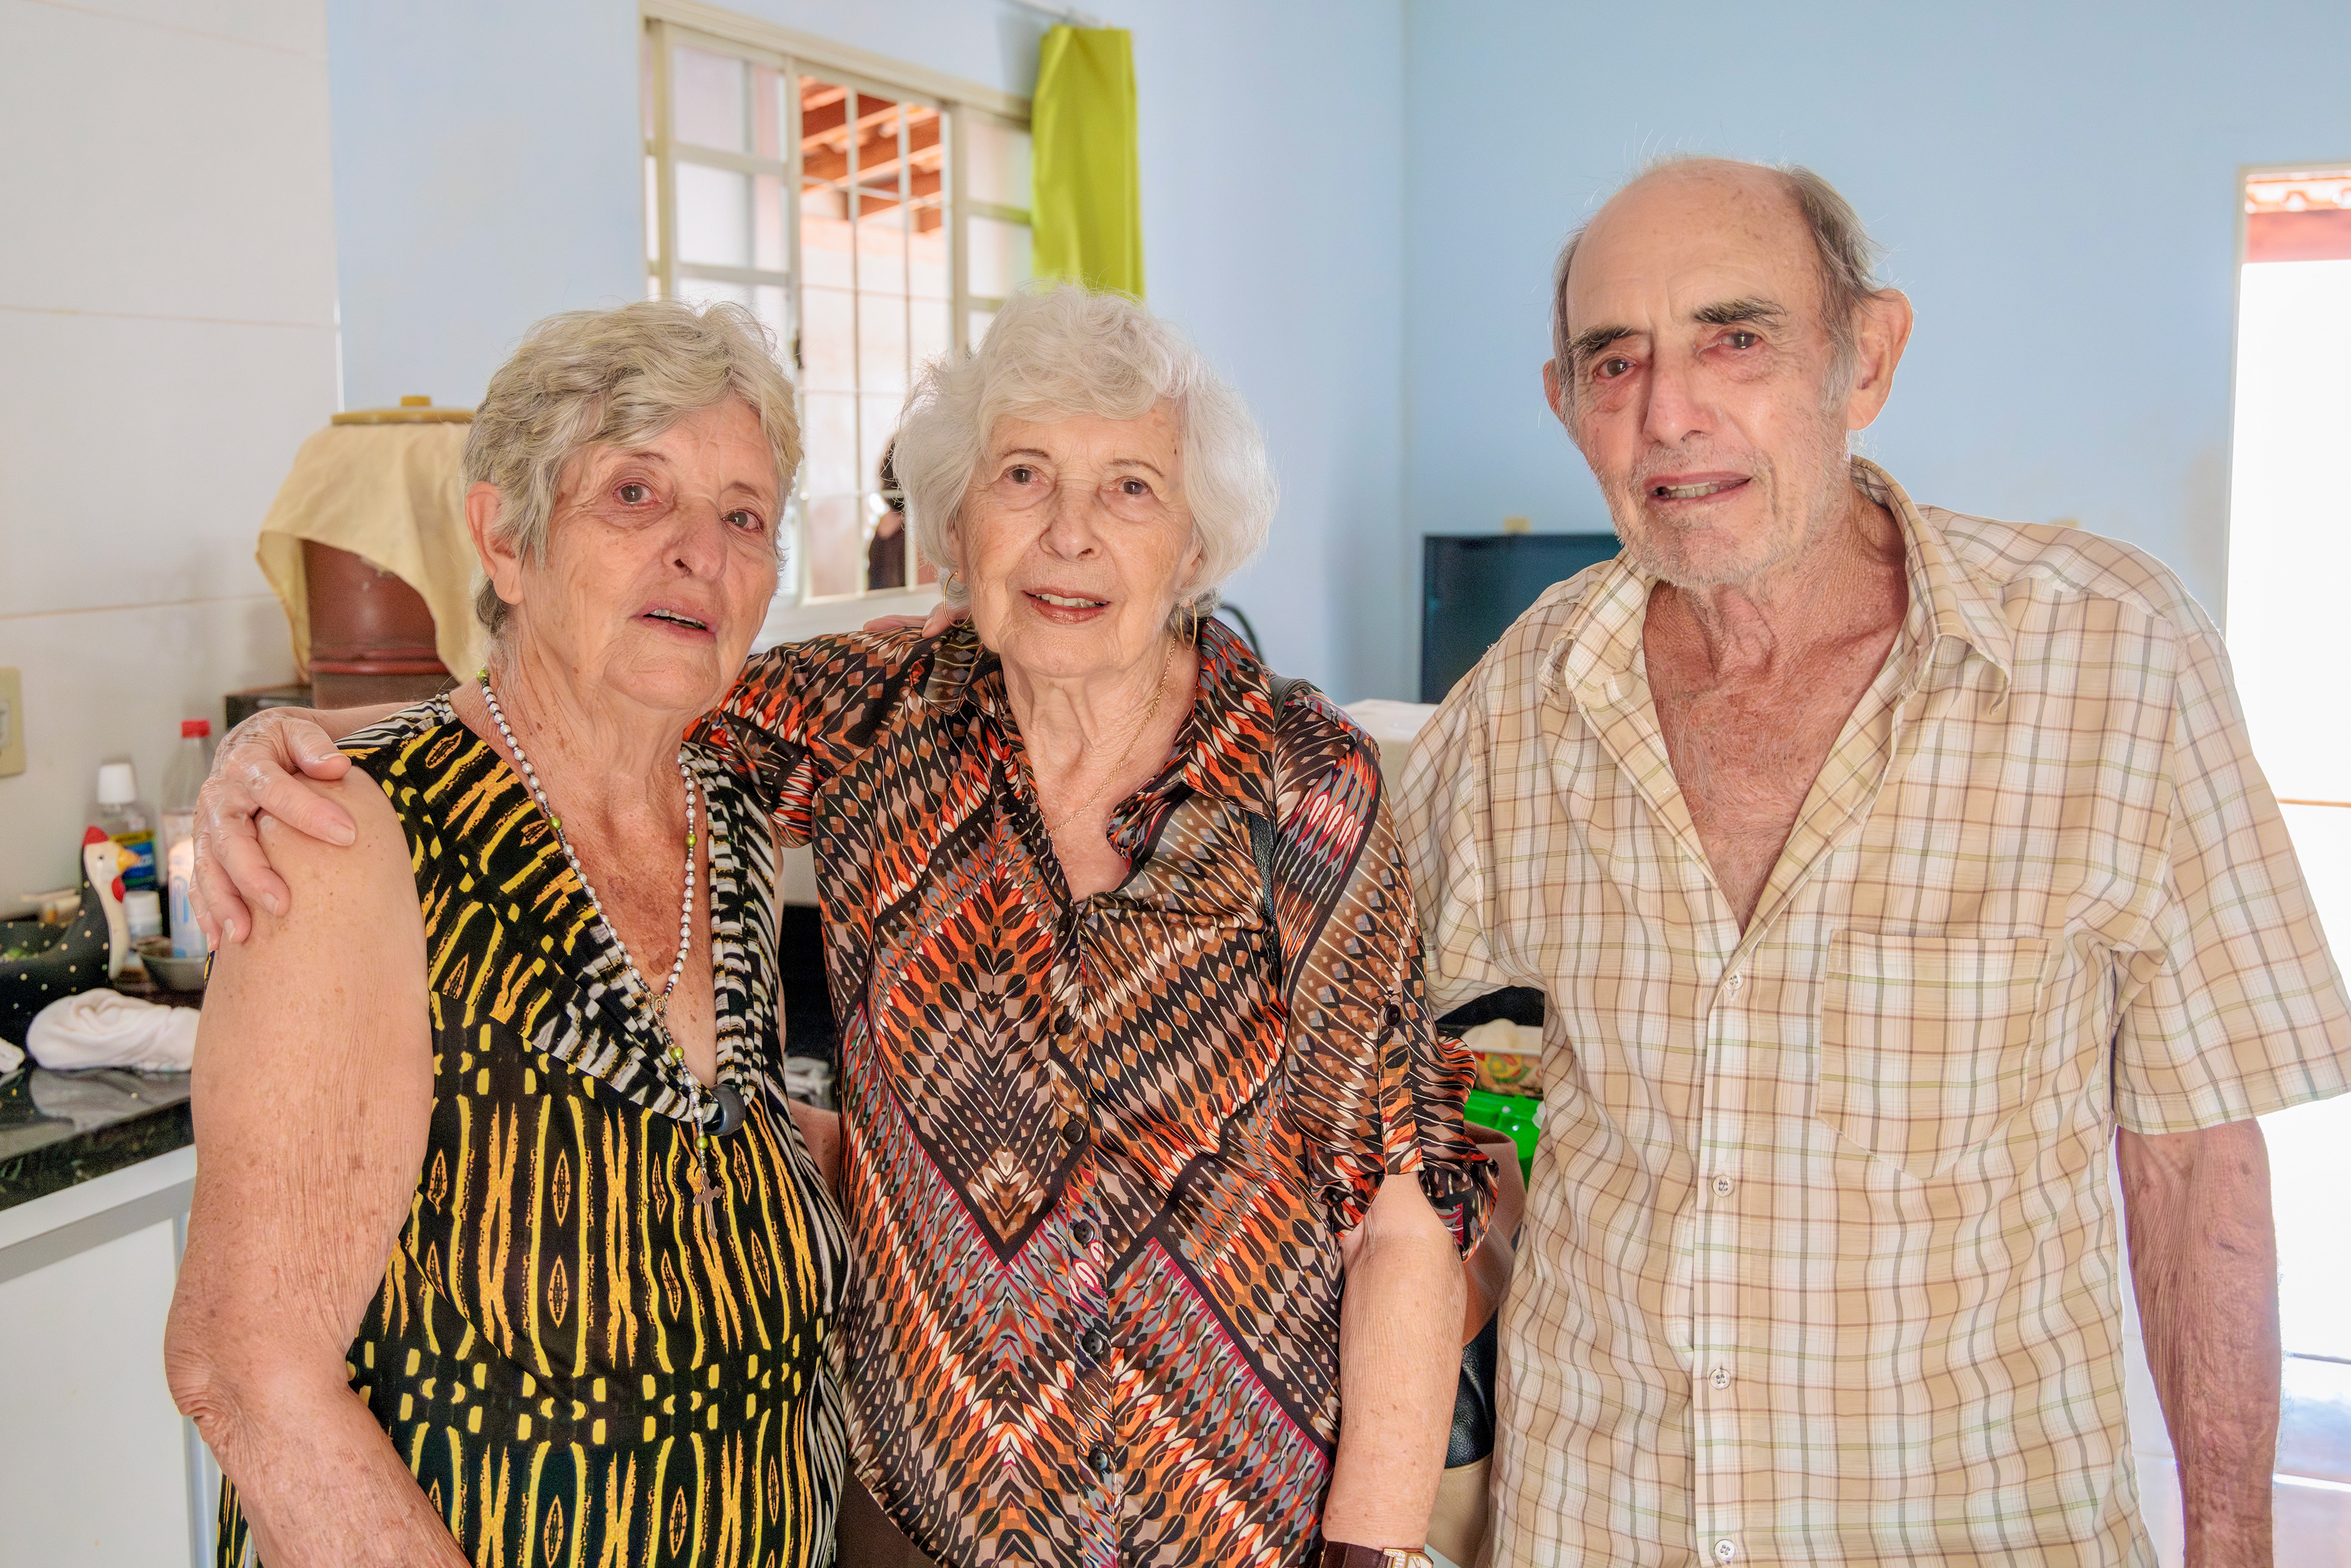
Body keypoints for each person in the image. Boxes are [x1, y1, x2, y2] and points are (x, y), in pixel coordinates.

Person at [191, 283, 1496, 1567]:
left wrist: (1373, 1550)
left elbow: (1401, 1205)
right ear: (957, 525)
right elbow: (592, 693)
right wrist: (289, 744)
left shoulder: (1300, 781)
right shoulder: (870, 722)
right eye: (1024, 477)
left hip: (1241, 1536)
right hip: (920, 1534)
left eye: (1132, 489)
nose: (1071, 535)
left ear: (1196, 545)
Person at [1398, 153, 2351, 1567]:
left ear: (1868, 356)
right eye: (1616, 362)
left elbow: (2198, 1158)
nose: (1670, 413)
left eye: (1736, 338)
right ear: (1567, 404)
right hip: (1598, 1527)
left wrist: (2230, 1536)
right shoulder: (1523, 697)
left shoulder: (2111, 656)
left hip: (1976, 1529)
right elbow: (1378, 1048)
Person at [162, 302, 850, 1566]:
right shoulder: (352, 837)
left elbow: (689, 1137)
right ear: (505, 539)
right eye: (636, 494)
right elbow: (246, 1370)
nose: (701, 552)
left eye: (745, 516)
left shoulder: (732, 821)